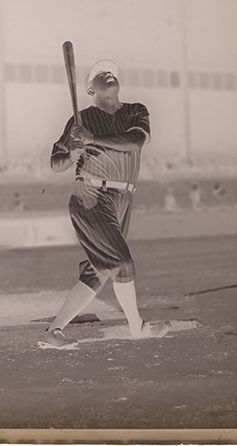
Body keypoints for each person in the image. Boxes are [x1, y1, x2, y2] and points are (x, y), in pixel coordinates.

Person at [40, 59, 170, 349]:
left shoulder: (136, 111)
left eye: (111, 72)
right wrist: (72, 154)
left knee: (98, 271)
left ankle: (54, 331)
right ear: (90, 89)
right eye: (101, 74)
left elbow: (135, 142)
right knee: (121, 263)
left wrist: (93, 138)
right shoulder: (80, 120)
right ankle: (137, 327)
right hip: (91, 195)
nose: (109, 74)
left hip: (123, 198)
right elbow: (55, 163)